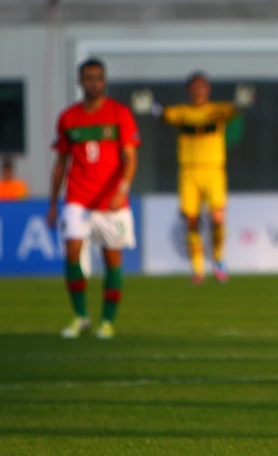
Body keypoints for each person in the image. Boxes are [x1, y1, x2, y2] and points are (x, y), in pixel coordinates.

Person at [47, 57, 140, 340]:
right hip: (77, 197)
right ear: (80, 81)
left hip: (111, 200)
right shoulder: (68, 118)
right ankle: (81, 317)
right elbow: (61, 163)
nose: (94, 83)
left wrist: (121, 190)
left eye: (98, 78)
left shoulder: (119, 114)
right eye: (88, 78)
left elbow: (130, 157)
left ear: (105, 81)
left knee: (112, 258)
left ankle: (107, 322)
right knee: (72, 250)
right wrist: (53, 203)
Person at [132, 73, 253, 284]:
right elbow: (163, 113)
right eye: (195, 86)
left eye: (203, 86)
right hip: (189, 172)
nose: (199, 90)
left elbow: (235, 109)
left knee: (217, 217)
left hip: (213, 170)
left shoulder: (217, 111)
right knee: (192, 221)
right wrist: (150, 107)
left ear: (208, 89)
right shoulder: (182, 112)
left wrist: (241, 103)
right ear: (189, 90)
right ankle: (197, 269)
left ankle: (218, 260)